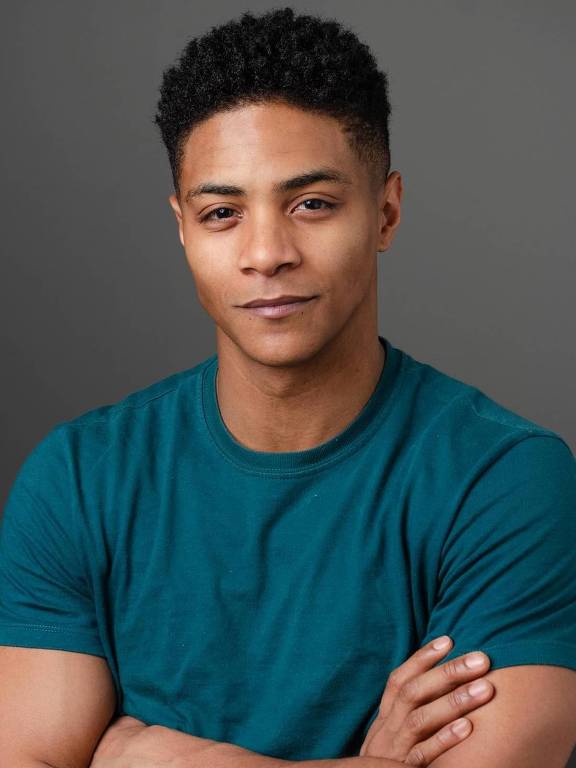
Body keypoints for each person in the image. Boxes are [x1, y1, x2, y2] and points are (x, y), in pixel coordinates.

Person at [1, 6, 575, 768]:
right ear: (181, 226)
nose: (265, 253)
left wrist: (160, 759)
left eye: (312, 204)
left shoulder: (506, 481)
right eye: (221, 213)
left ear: (386, 211)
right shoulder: (78, 479)